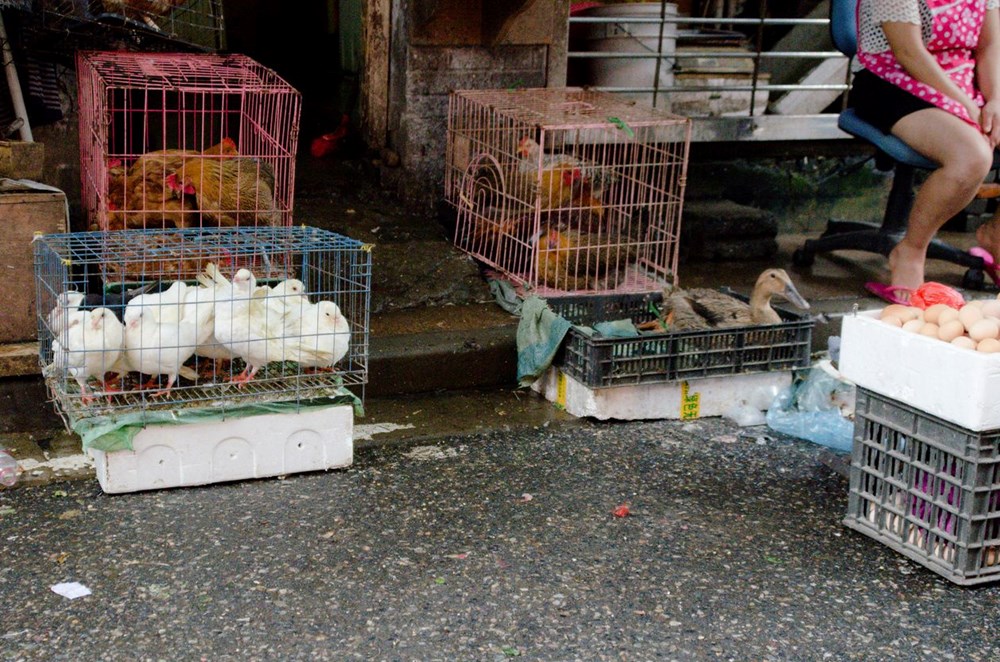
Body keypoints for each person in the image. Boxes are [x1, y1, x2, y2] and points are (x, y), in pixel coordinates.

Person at [848, 0, 1000, 302]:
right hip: (894, 82)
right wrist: (968, 108)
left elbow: (989, 46)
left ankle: (996, 236)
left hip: (961, 80)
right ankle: (911, 251)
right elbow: (908, 53)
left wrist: (994, 100)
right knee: (972, 157)